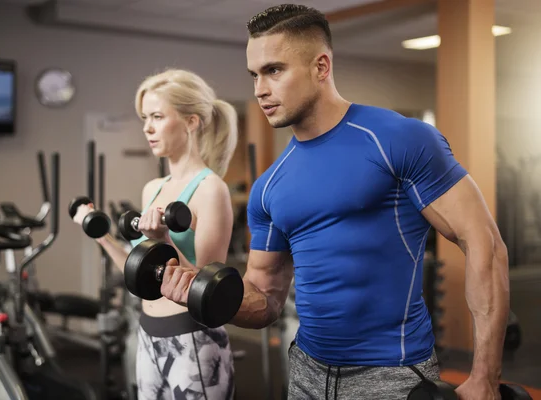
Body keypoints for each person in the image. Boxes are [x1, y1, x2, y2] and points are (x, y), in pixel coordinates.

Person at [159, 4, 510, 400]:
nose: (259, 88)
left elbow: (485, 243)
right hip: (307, 374)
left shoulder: (399, 139)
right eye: (254, 75)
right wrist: (203, 291)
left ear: (321, 67)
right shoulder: (269, 185)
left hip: (392, 376)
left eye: (274, 70)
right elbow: (266, 299)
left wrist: (485, 374)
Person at [73, 68, 238, 400]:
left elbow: (207, 291)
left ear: (192, 121)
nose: (147, 127)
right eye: (145, 117)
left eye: (158, 117)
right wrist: (98, 232)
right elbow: (138, 272)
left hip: (193, 338)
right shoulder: (154, 188)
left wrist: (163, 241)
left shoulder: (210, 189)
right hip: (148, 334)